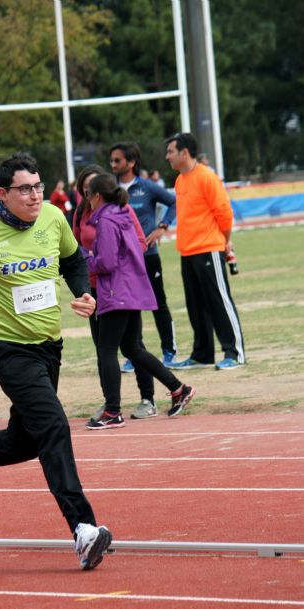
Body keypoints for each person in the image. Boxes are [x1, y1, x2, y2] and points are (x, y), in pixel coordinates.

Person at [0, 152, 112, 571]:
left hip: (49, 345)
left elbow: (72, 260)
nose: (34, 195)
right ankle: (83, 529)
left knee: (28, 439)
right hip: (6, 348)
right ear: (3, 194)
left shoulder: (52, 217)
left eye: (38, 186)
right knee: (52, 424)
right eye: (24, 189)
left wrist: (84, 292)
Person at [81, 173, 195, 429]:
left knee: (107, 349)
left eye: (88, 195)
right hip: (132, 289)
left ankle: (112, 411)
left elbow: (107, 263)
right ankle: (179, 388)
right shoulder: (122, 214)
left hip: (116, 292)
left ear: (97, 196)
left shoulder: (107, 220)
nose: (86, 200)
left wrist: (86, 258)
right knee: (132, 348)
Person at [73, 164, 159, 422]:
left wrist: (113, 265)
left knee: (131, 346)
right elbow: (76, 248)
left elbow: (140, 243)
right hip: (95, 289)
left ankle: (147, 398)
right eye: (85, 189)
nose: (89, 194)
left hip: (119, 288)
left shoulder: (118, 212)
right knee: (103, 349)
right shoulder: (81, 214)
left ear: (102, 191)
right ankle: (110, 401)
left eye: (93, 188)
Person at [165, 132, 245, 370]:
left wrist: (224, 241)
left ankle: (234, 352)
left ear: (185, 152)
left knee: (219, 301)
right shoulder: (180, 180)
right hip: (187, 251)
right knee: (195, 305)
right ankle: (202, 354)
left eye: (170, 151)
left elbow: (224, 213)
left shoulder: (206, 177)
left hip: (209, 248)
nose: (166, 156)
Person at [109, 141, 178, 380]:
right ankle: (133, 354)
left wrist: (162, 227)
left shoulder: (147, 187)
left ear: (131, 162)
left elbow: (173, 202)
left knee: (159, 304)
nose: (113, 164)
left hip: (148, 257)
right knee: (130, 310)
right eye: (112, 161)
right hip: (123, 264)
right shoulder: (110, 190)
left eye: (117, 160)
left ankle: (169, 351)